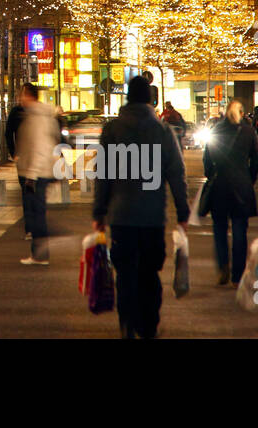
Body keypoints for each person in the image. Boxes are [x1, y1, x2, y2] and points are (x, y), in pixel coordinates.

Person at [92, 75, 190, 339]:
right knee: (149, 273)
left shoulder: (112, 130)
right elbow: (176, 173)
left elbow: (104, 173)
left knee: (124, 274)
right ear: (150, 99)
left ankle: (127, 322)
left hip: (121, 216)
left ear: (127, 99)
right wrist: (183, 211)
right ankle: (148, 326)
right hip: (152, 216)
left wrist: (99, 212)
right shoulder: (162, 131)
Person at [202, 99, 258, 285]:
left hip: (220, 186)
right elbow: (257, 163)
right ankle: (238, 275)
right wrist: (248, 179)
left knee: (219, 229)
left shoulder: (216, 130)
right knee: (239, 231)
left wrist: (212, 175)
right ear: (242, 113)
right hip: (241, 186)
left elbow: (207, 159)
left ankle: (222, 268)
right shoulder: (249, 132)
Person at [7, 83, 60, 265]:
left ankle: (41, 253)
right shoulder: (41, 115)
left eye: (23, 95)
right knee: (35, 212)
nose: (21, 99)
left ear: (30, 96)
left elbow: (40, 148)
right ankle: (40, 251)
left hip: (35, 173)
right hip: (38, 170)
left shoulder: (37, 117)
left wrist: (31, 173)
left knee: (35, 213)